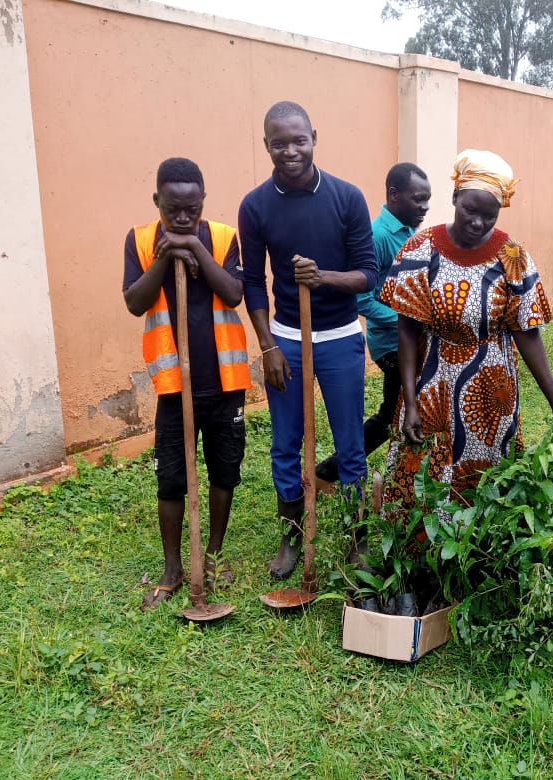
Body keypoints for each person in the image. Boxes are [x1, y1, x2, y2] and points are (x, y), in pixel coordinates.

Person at [381, 149, 553, 510]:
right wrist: (408, 402)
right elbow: (406, 332)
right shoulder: (420, 250)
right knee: (424, 470)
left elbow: (526, 334)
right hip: (431, 385)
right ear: (454, 198)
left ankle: (480, 555)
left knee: (487, 480)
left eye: (490, 215)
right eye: (470, 210)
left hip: (491, 393)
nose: (478, 222)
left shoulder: (513, 258)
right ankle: (419, 559)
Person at [238, 100, 377, 579]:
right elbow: (252, 283)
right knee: (285, 443)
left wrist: (323, 279)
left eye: (299, 140)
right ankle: (291, 537)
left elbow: (367, 275)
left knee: (351, 442)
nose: (290, 151)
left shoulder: (346, 197)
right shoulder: (255, 206)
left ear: (314, 137)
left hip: (339, 339)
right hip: (287, 341)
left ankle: (357, 541)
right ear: (266, 146)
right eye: (279, 143)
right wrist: (268, 347)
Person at [123, 157, 252, 610]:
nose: (182, 217)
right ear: (157, 200)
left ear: (202, 201)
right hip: (174, 387)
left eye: (191, 209)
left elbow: (234, 293)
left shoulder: (220, 238)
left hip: (223, 380)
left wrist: (195, 249)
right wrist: (163, 258)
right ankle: (173, 567)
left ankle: (213, 556)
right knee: (171, 478)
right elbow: (135, 302)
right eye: (172, 209)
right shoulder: (140, 241)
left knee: (224, 470)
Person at [315, 162, 432, 484]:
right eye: (418, 199)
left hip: (413, 341)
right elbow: (361, 299)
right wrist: (408, 322)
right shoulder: (378, 235)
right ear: (394, 195)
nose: (425, 207)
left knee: (400, 411)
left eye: (427, 200)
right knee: (394, 414)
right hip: (392, 344)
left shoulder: (409, 232)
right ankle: (328, 472)